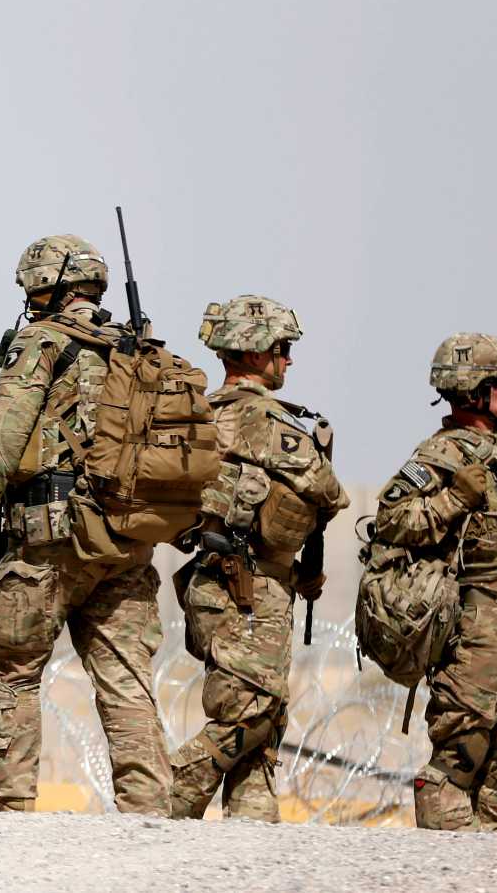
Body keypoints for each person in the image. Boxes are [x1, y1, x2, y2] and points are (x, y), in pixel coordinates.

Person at [0, 235, 172, 815]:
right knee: (125, 676)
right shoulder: (139, 349)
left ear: (43, 288)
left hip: (51, 533)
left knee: (14, 664)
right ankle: (149, 808)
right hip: (126, 538)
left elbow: (3, 437)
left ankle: (14, 804)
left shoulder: (42, 341)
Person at [375, 228, 497, 832]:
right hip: (479, 618)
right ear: (475, 393)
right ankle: (444, 859)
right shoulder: (439, 454)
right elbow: (392, 521)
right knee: (463, 747)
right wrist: (455, 497)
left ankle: (485, 855)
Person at [168, 295, 348, 821]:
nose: (288, 361)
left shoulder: (199, 411)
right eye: (282, 350)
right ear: (253, 354)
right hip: (249, 590)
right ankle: (162, 803)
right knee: (251, 714)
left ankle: (252, 842)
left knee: (261, 727)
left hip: (212, 581)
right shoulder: (266, 421)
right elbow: (329, 492)